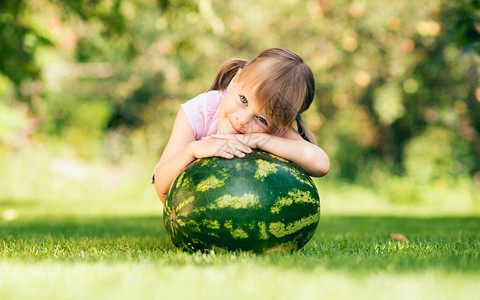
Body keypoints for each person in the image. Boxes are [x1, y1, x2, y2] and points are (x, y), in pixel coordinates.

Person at [152, 48, 330, 203]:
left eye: (261, 119)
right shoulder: (200, 111)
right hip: (191, 212)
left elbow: (321, 164)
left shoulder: (275, 132)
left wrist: (259, 140)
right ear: (235, 80)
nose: (243, 120)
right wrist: (192, 150)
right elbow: (161, 183)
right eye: (243, 100)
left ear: (278, 127)